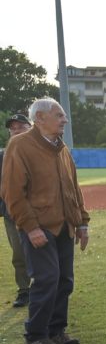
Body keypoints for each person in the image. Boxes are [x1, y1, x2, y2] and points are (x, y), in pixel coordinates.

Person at [0, 98, 89, 344]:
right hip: (39, 228)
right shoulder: (20, 145)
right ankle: (36, 336)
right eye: (59, 115)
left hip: (65, 226)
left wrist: (82, 222)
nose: (65, 120)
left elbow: (73, 188)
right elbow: (12, 192)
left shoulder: (61, 148)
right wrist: (30, 227)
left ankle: (56, 331)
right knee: (46, 279)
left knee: (64, 280)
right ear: (39, 118)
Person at [1, 113, 32, 307]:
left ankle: (45, 287)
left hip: (39, 211)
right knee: (19, 254)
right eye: (12, 128)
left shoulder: (39, 151)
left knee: (44, 250)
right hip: (12, 214)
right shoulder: (3, 156)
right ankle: (24, 290)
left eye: (20, 126)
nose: (16, 130)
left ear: (30, 127)